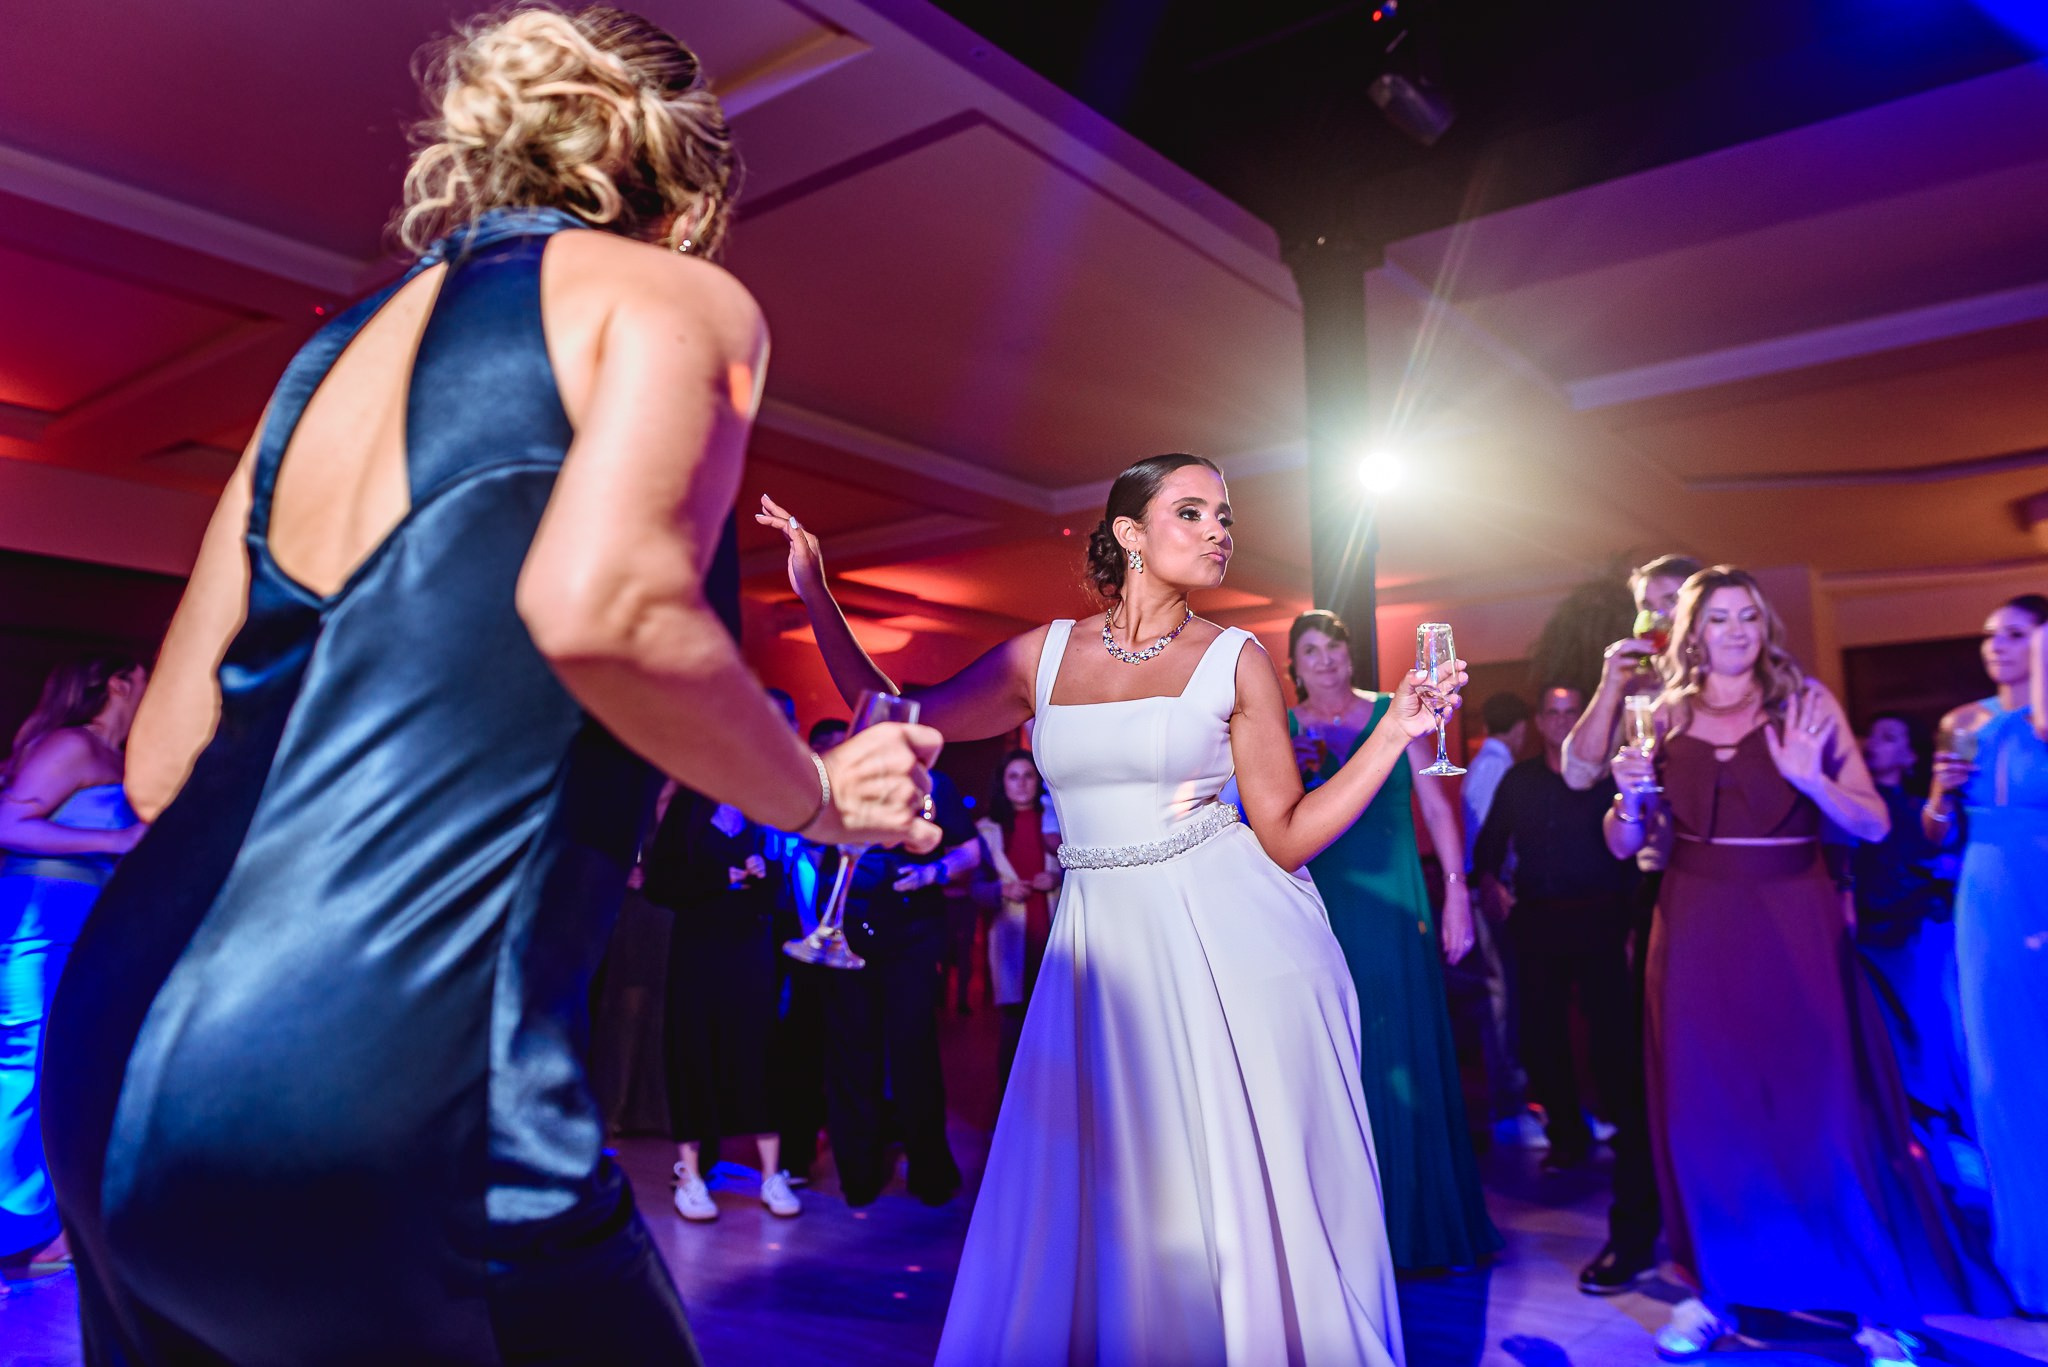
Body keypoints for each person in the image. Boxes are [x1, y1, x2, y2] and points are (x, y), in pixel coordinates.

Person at [40, 10, 939, 1361]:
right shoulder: (674, 299)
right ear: (690, 182)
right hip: (384, 1080)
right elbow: (606, 605)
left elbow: (164, 762)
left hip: (112, 1053)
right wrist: (817, 794)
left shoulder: (323, 360)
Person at [762, 454, 1457, 1365]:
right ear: (1130, 533)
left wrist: (1396, 732)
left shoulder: (1238, 660)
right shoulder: (1039, 656)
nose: (1220, 530)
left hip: (1227, 947)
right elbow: (896, 706)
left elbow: (1284, 833)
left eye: (1226, 515)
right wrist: (815, 590)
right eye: (1194, 511)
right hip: (1097, 943)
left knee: (1220, 1194)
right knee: (1109, 1185)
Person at [1606, 566, 1997, 1362]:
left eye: (1748, 615)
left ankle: (1871, 1300)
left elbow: (1876, 819)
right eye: (1719, 618)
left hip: (1793, 914)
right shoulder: (1662, 710)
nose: (1738, 630)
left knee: (1823, 1109)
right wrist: (1625, 802)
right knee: (1705, 1113)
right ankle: (1714, 1289)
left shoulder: (1805, 702)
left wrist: (1807, 776)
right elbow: (1624, 843)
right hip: (1694, 921)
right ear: (1694, 631)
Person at [1288, 609, 1502, 1272]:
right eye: (1311, 651)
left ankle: (1418, 1222)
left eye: (1334, 647)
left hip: (1391, 909)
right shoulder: (1282, 727)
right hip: (1313, 908)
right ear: (1294, 666)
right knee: (1333, 1059)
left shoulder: (1393, 709)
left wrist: (1458, 893)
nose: (1324, 660)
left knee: (1397, 1047)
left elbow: (1438, 805)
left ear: (1351, 655)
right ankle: (1341, 1234)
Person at [1560, 551, 1698, 1294]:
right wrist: (1612, 682)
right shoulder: (1637, 687)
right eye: (1651, 601)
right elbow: (1579, 772)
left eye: (1676, 597)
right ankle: (1636, 1229)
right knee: (1637, 1066)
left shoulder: (1732, 680)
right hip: (1649, 896)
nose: (1662, 612)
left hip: (1730, 887)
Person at [0, 655, 148, 1270]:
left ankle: (35, 1226)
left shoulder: (119, 762)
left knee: (59, 1069)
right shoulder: (72, 745)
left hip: (79, 923)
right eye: (146, 680)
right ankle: (14, 1231)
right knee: (22, 1064)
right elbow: (9, 821)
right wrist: (117, 841)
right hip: (39, 920)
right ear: (117, 683)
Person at [1925, 593, 2048, 1313]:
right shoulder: (1963, 723)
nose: (1995, 645)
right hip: (1986, 903)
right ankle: (2029, 1259)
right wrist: (1940, 794)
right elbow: (1937, 833)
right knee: (2003, 1076)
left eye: (2015, 633)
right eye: (1989, 634)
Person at [1473, 685, 1640, 1174]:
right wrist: (1487, 883)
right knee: (1543, 1035)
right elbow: (1489, 846)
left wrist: (1633, 923)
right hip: (1540, 919)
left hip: (1602, 916)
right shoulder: (1519, 781)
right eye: (1555, 713)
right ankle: (1565, 1135)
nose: (1564, 721)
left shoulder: (1607, 778)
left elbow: (1631, 857)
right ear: (1540, 722)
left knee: (1613, 1033)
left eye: (1573, 713)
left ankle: (1627, 1128)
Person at [642, 785, 800, 1222]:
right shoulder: (687, 807)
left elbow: (781, 893)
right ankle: (691, 1176)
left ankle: (772, 1174)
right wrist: (719, 878)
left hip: (749, 949)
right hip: (697, 949)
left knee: (759, 1055)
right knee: (692, 1053)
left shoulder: (762, 806)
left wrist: (764, 870)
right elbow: (659, 883)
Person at [1853, 713, 1979, 1207]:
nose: (1872, 746)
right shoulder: (1849, 809)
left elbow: (1946, 863)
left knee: (1919, 1048)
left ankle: (1936, 1169)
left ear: (1908, 756)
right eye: (1869, 735)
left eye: (1888, 737)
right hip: (1860, 942)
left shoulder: (1918, 811)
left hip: (1907, 944)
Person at [1460, 689, 1531, 1145]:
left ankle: (1512, 1096)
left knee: (1504, 992)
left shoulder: (1488, 763)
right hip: (1489, 895)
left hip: (1489, 892)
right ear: (1521, 725)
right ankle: (1508, 1102)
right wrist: (1498, 883)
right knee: (1500, 995)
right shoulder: (1495, 767)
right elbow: (1491, 837)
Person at [972, 749, 1062, 1088]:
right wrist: (1001, 890)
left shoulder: (1056, 823)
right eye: (1014, 776)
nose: (1022, 784)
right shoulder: (988, 830)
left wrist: (1057, 879)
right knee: (1014, 1034)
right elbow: (974, 888)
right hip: (1012, 941)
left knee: (1057, 1029)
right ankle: (1010, 1122)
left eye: (1028, 775)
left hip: (1055, 935)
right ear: (1003, 783)